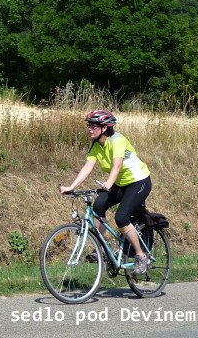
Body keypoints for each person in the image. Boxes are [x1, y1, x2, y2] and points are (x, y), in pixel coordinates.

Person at [59, 109, 152, 273]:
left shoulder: (117, 140)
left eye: (93, 126)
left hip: (138, 182)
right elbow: (87, 167)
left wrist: (108, 183)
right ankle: (102, 249)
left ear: (104, 128)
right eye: (89, 125)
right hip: (120, 183)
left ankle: (141, 256)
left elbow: (117, 165)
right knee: (98, 207)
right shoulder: (96, 145)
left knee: (121, 217)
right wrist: (71, 186)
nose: (89, 128)